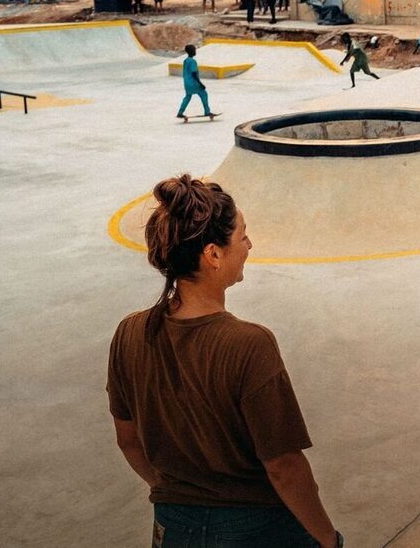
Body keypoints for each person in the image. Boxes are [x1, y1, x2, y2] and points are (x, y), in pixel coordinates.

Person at [107, 175, 342, 548]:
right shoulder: (249, 344)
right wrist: (328, 539)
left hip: (172, 526)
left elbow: (128, 441)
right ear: (213, 254)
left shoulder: (129, 333)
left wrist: (177, 494)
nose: (249, 245)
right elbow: (284, 467)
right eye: (242, 236)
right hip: (254, 528)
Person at [176, 44, 215, 119]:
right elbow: (194, 73)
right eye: (194, 50)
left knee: (187, 97)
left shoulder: (186, 61)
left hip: (187, 83)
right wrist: (200, 84)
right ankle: (207, 111)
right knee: (204, 94)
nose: (195, 51)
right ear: (191, 51)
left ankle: (180, 112)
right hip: (194, 83)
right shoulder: (193, 61)